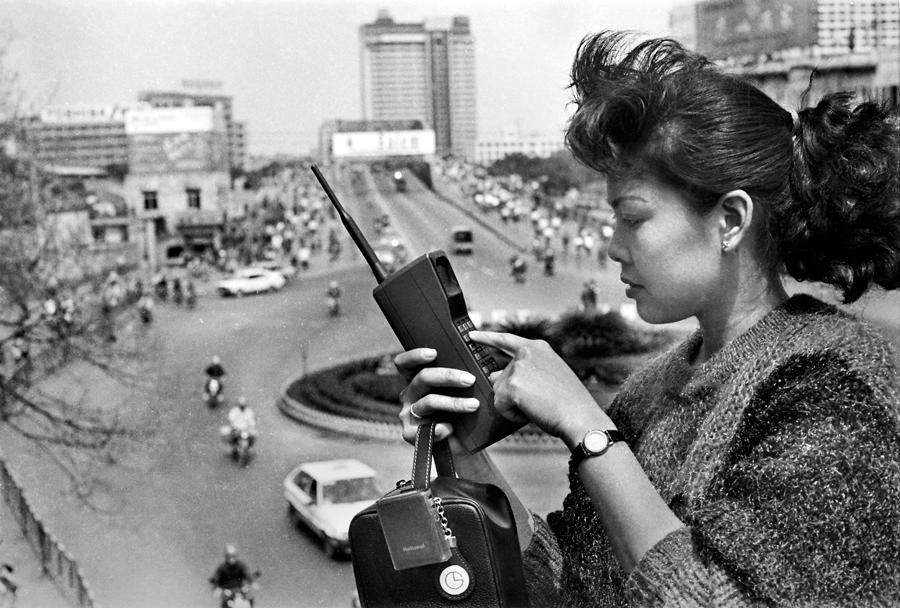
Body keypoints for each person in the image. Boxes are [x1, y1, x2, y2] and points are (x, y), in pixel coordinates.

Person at [394, 31, 900, 607]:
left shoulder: (836, 389)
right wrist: (465, 455)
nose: (612, 247)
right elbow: (566, 587)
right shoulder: (648, 392)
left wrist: (587, 428)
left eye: (632, 217)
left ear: (730, 220)